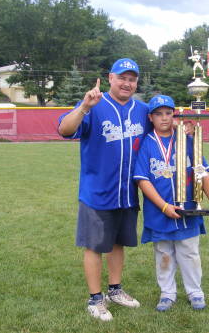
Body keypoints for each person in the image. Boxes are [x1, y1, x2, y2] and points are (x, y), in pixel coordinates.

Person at [58, 58, 150, 321]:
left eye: (132, 79)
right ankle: (95, 299)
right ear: (110, 78)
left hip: (127, 192)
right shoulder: (94, 105)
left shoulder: (142, 110)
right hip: (97, 192)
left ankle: (115, 290)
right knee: (94, 246)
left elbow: (163, 130)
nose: (127, 83)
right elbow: (64, 129)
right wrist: (85, 107)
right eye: (122, 77)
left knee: (118, 243)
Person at [133, 94, 209, 312]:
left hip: (189, 210)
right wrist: (163, 206)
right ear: (151, 118)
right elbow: (143, 180)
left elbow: (202, 172)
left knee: (189, 252)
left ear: (174, 115)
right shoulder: (147, 144)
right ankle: (167, 293)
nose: (164, 118)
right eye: (158, 114)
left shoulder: (186, 141)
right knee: (163, 253)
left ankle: (195, 292)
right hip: (159, 212)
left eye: (168, 113)